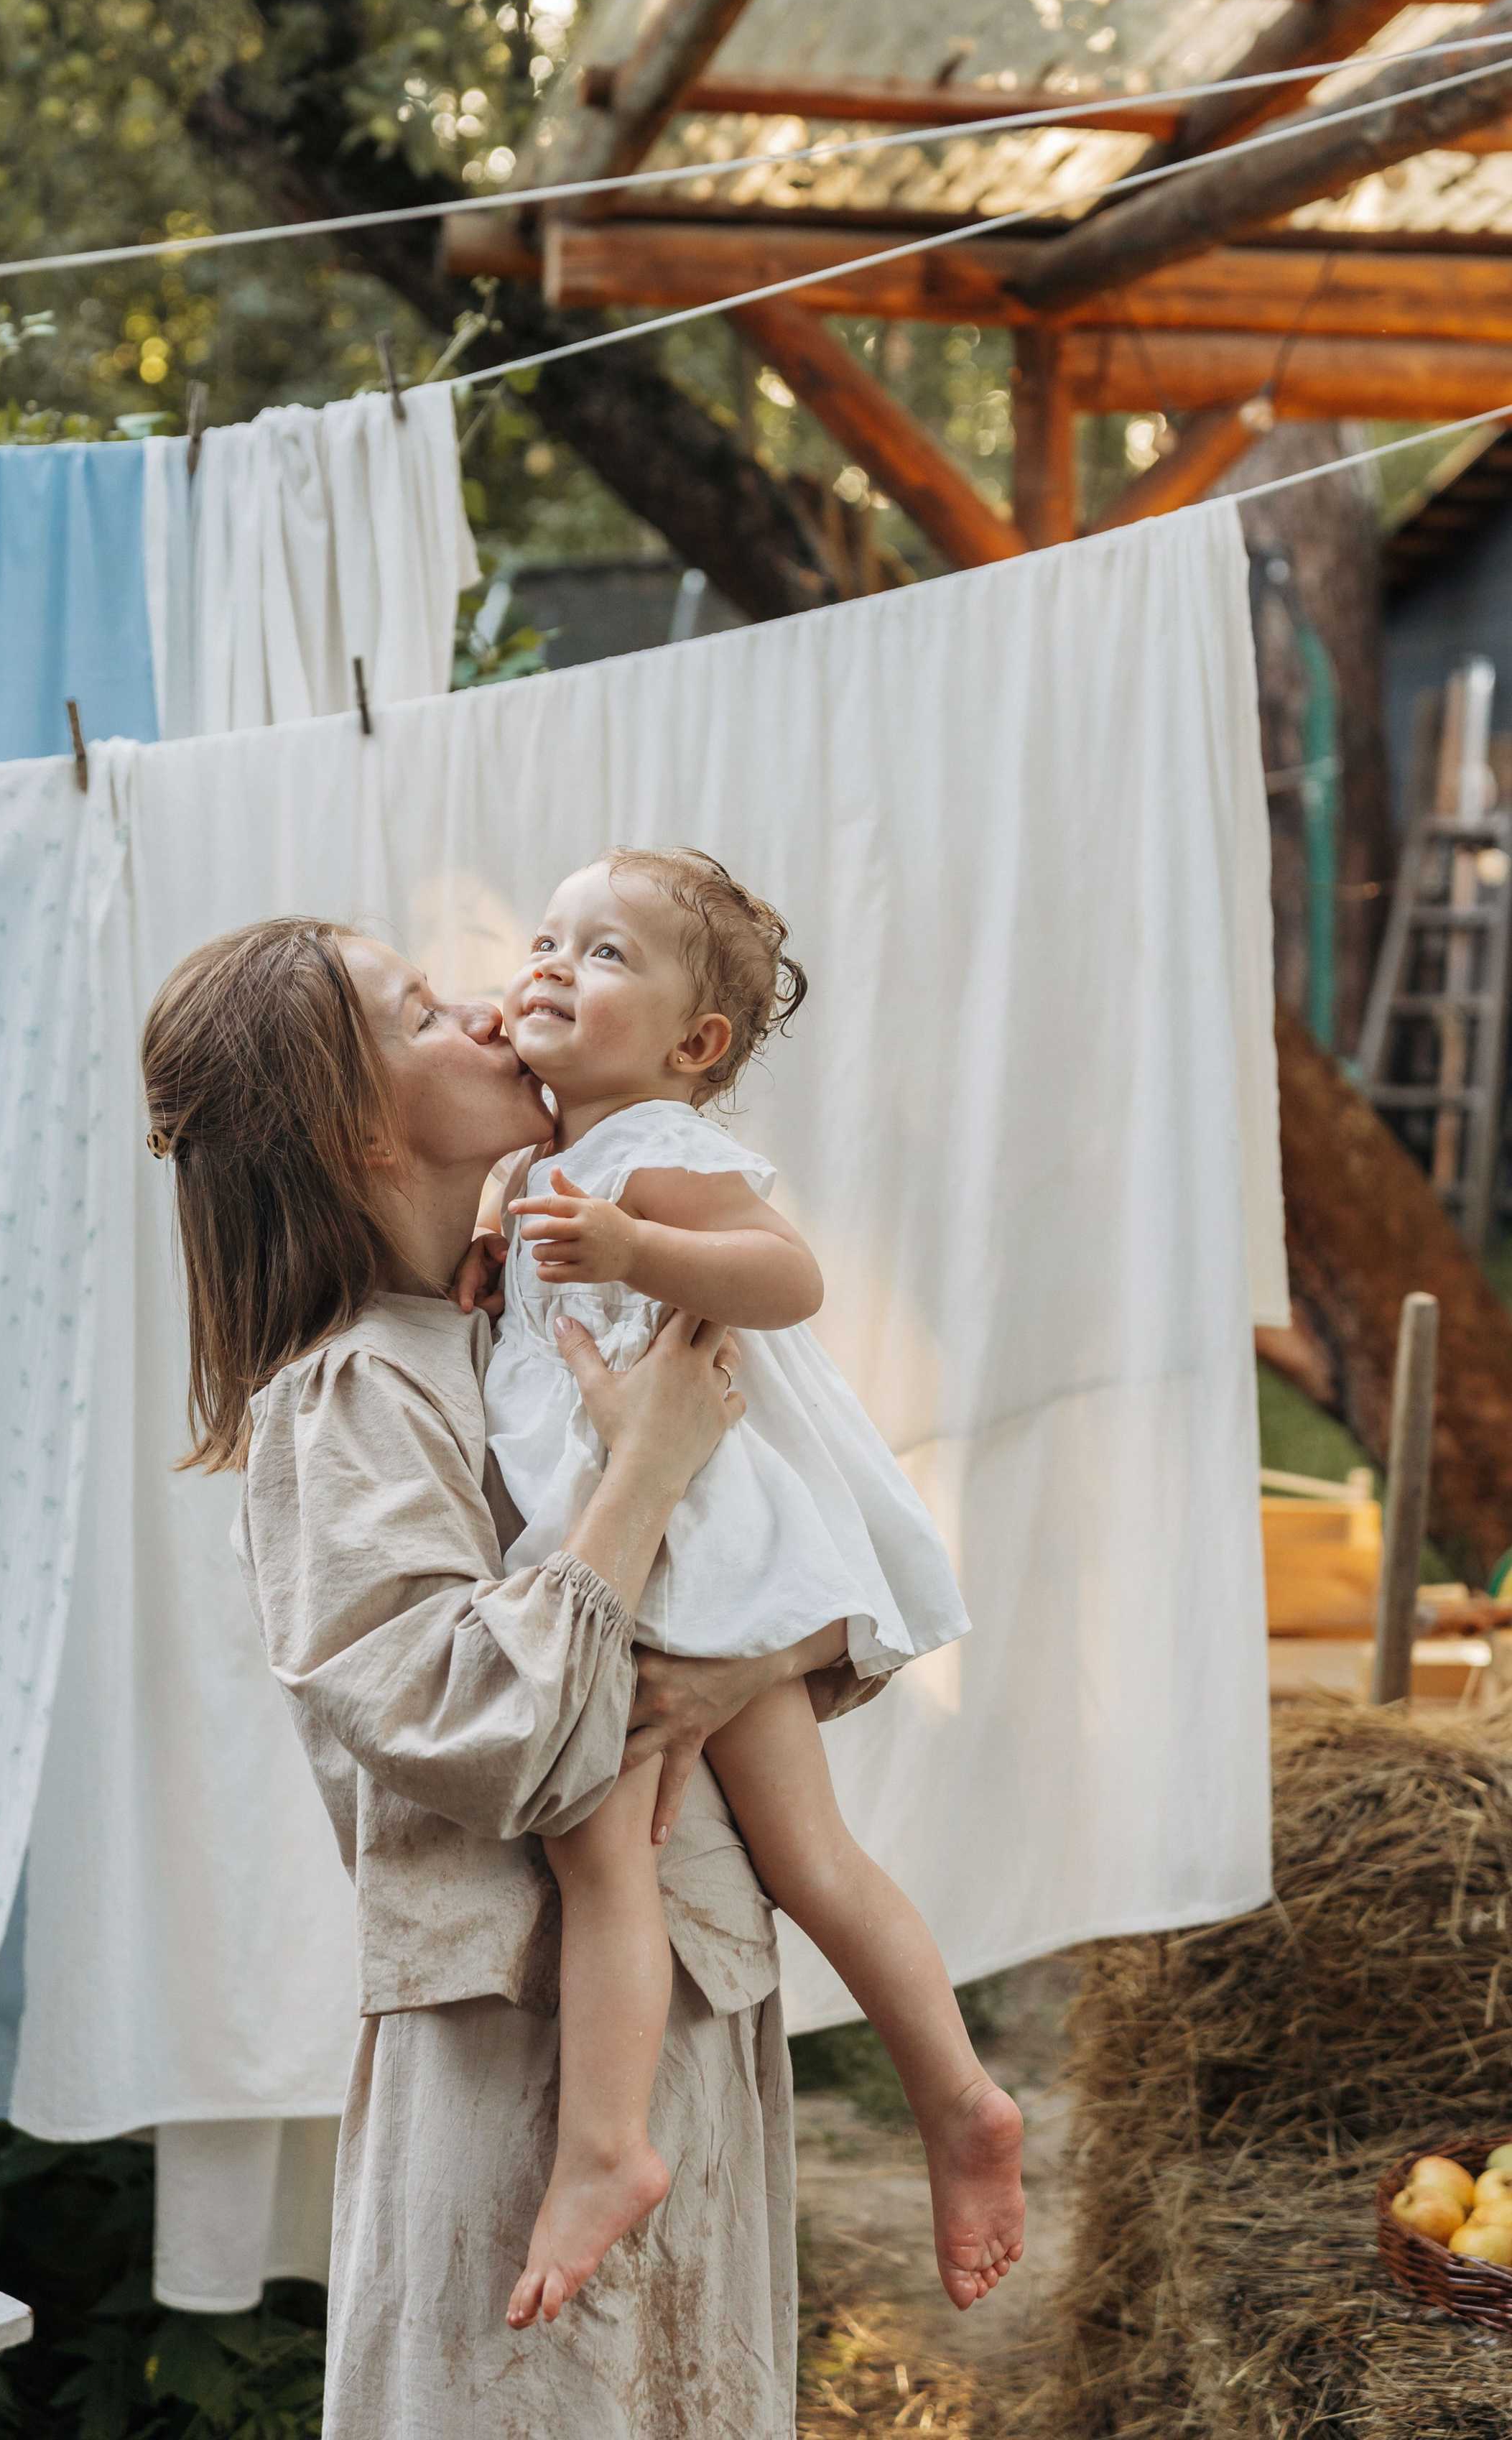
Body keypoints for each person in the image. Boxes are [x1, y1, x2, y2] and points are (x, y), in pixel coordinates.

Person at [141, 915, 861, 2440]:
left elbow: (799, 1591)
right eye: (422, 1014)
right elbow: (487, 1727)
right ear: (351, 1127)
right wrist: (650, 1467)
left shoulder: (543, 1329)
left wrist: (746, 1665)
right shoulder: (350, 1393)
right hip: (517, 2081)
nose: (492, 1011)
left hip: (687, 2025)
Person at [467, 850, 1024, 2332]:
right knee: (781, 1854)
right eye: (542, 938)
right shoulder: (539, 1157)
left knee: (631, 1845)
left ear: (691, 1046)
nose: (545, 966)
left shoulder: (644, 1144)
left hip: (684, 1539)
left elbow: (785, 1278)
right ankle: (951, 2101)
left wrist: (639, 1244)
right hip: (636, 1532)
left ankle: (613, 2147)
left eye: (598, 955)